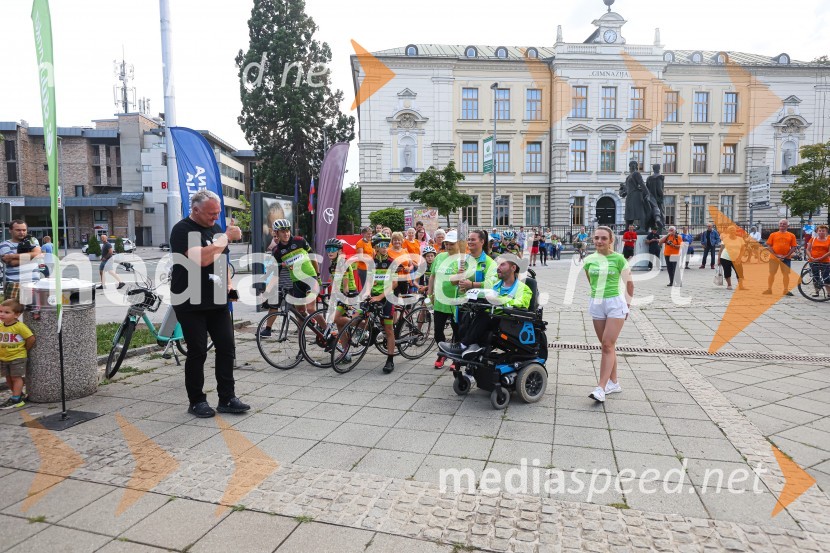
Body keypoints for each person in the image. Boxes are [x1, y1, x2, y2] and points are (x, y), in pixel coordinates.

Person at [170, 190, 249, 418]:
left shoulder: (215, 230)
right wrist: (225, 237)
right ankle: (196, 401)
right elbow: (201, 258)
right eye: (211, 214)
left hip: (217, 299)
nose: (215, 218)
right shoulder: (183, 229)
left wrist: (230, 285)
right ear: (195, 210)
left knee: (226, 348)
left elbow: (219, 260)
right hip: (190, 300)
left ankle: (227, 397)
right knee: (198, 351)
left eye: (217, 214)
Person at [438, 258, 533, 359]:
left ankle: (463, 345)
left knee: (485, 316)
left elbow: (522, 304)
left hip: (508, 322)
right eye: (498, 265)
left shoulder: (523, 288)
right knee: (470, 312)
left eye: (502, 265)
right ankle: (472, 346)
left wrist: (499, 300)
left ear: (513, 268)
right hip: (492, 318)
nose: (498, 268)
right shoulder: (496, 286)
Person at [582, 226, 633, 403]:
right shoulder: (589, 260)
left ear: (611, 240)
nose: (599, 241)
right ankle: (614, 382)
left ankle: (601, 388)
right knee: (607, 346)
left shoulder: (619, 259)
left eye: (604, 238)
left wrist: (627, 305)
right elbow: (591, 281)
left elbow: (630, 284)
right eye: (596, 238)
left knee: (607, 344)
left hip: (615, 303)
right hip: (597, 303)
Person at [260, 218, 322, 336]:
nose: (286, 233)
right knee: (293, 309)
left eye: (287, 230)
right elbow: (274, 272)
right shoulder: (276, 250)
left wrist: (317, 275)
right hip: (290, 282)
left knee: (306, 309)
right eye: (282, 232)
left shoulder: (299, 241)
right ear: (276, 233)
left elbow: (312, 257)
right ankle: (299, 343)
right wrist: (268, 290)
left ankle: (317, 329)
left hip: (304, 278)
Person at [428, 231, 461, 369]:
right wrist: (430, 294)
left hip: (456, 301)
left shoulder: (463, 259)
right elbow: (432, 276)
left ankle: (456, 358)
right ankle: (442, 353)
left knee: (457, 331)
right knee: (438, 331)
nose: (448, 246)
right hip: (440, 300)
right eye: (446, 243)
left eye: (451, 244)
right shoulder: (440, 257)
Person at [368, 233, 398, 374]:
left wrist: (380, 296)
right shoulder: (371, 262)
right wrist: (367, 293)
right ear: (375, 247)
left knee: (389, 330)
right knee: (358, 316)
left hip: (386, 297)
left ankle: (390, 360)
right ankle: (373, 330)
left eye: (387, 244)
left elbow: (394, 284)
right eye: (382, 245)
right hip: (374, 295)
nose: (385, 247)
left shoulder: (392, 262)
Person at [0, 299, 35, 409]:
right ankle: (17, 394)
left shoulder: (19, 327)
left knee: (16, 377)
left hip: (17, 357)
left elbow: (30, 338)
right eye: (0, 311)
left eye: (6, 312)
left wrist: (24, 349)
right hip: (4, 357)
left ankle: (16, 399)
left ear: (16, 315)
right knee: (8, 378)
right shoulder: (1, 326)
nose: (2, 314)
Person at [0, 220, 42, 301]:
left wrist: (13, 256)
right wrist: (33, 256)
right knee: (13, 311)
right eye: (18, 230)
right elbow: (13, 263)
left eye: (24, 230)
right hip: (15, 283)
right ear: (10, 230)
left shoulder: (31, 240)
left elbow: (37, 254)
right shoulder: (4, 245)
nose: (22, 232)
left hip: (34, 282)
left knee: (34, 311)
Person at [764, 219, 798, 296]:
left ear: (787, 226)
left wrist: (786, 255)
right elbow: (769, 246)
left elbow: (793, 247)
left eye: (784, 224)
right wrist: (776, 255)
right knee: (772, 274)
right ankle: (769, 289)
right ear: (778, 225)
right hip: (774, 258)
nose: (782, 225)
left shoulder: (791, 235)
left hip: (786, 258)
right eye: (781, 223)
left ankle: (785, 290)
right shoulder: (773, 234)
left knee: (786, 274)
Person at [718, 225, 746, 291]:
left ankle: (741, 286)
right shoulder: (725, 239)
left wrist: (739, 257)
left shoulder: (740, 239)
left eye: (733, 230)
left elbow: (743, 249)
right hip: (725, 258)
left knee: (740, 272)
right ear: (728, 232)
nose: (732, 231)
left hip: (737, 258)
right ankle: (729, 285)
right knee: (727, 272)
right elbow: (721, 249)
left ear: (735, 231)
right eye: (731, 230)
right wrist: (718, 259)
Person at [806, 224, 830, 297]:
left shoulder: (829, 239)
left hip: (825, 261)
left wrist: (822, 257)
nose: (821, 232)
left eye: (823, 231)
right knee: (815, 277)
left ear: (826, 232)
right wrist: (810, 257)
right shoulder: (813, 239)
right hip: (813, 260)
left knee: (826, 277)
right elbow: (808, 249)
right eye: (820, 231)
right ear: (817, 231)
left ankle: (829, 292)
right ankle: (817, 291)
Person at [355, 226, 374, 291]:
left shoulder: (370, 242)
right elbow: (360, 257)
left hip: (370, 267)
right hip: (363, 268)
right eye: (368, 234)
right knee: (366, 287)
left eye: (371, 233)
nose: (370, 235)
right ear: (363, 234)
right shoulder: (360, 243)